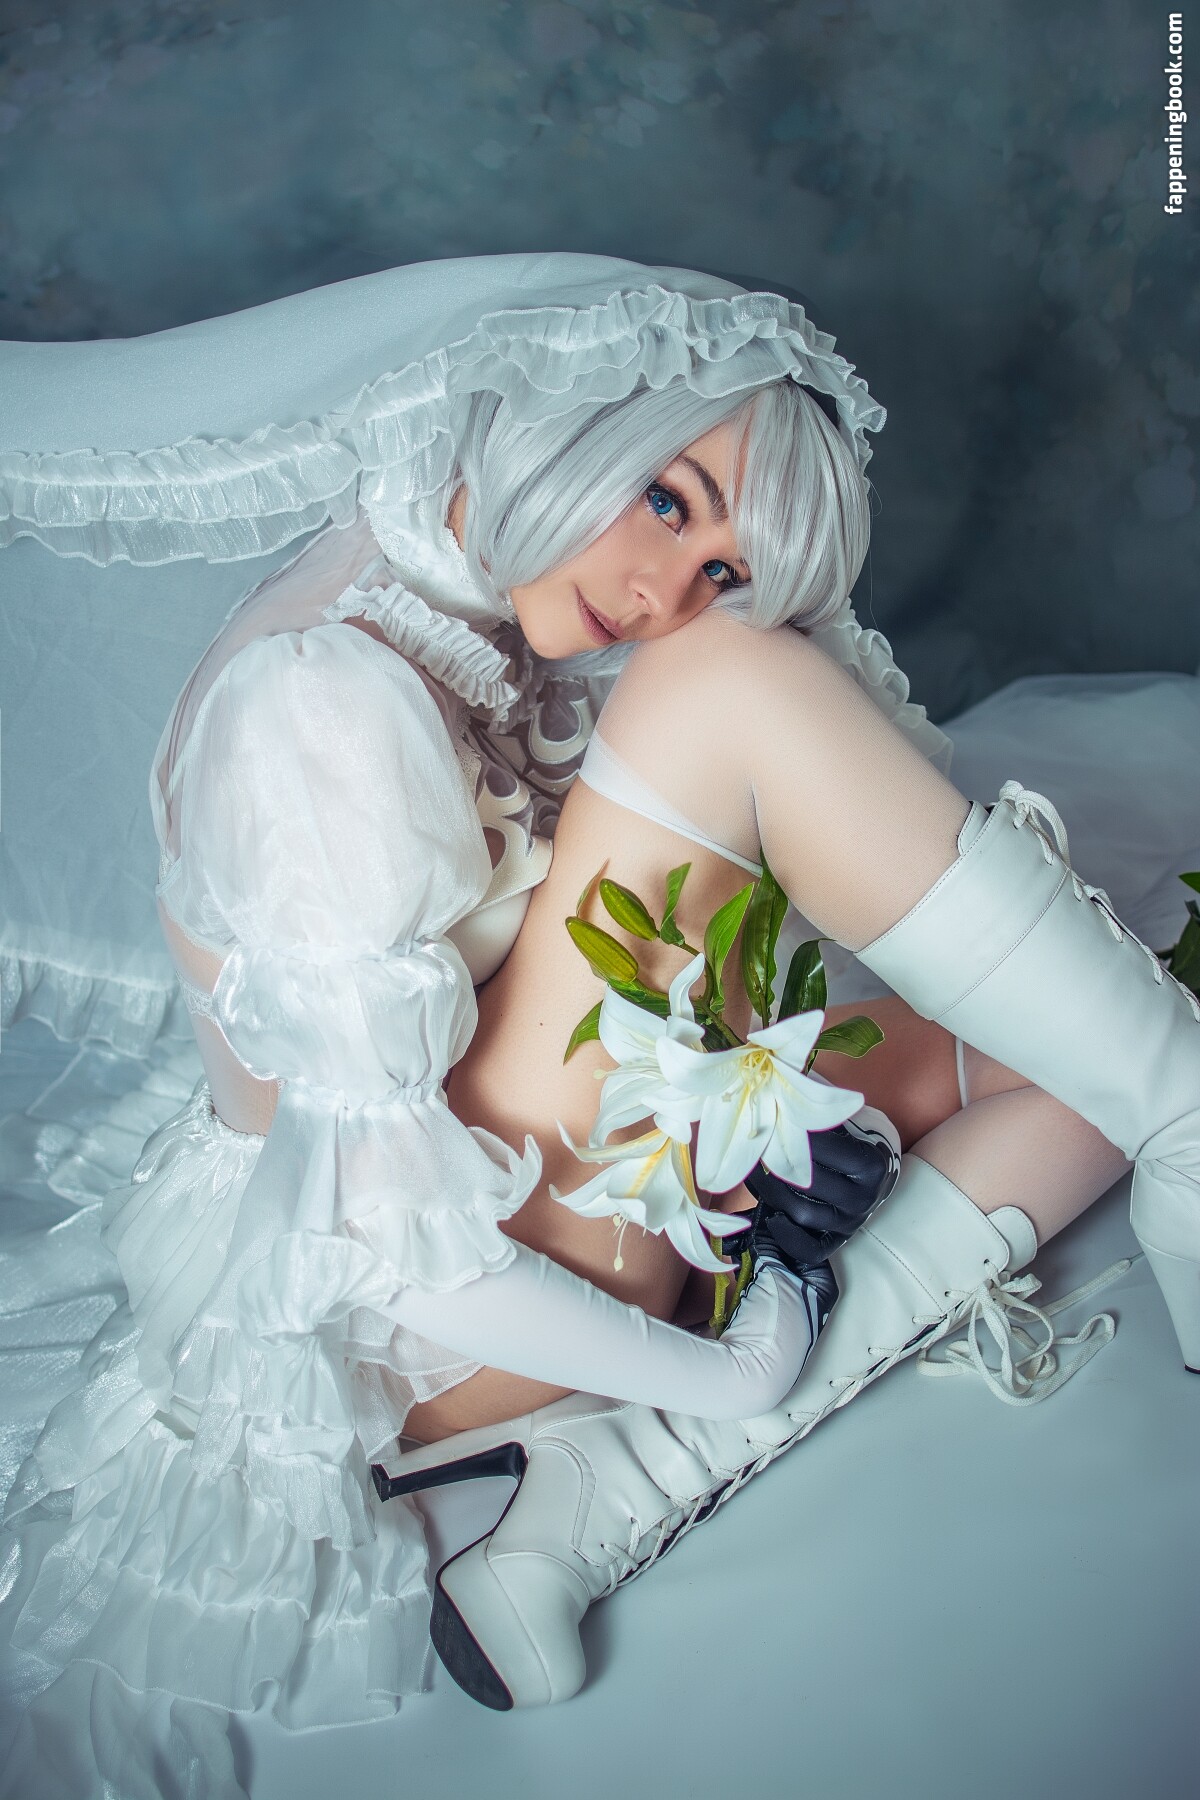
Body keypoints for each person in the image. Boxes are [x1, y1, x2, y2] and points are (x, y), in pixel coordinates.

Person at [0, 253, 1197, 1780]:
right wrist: (735, 1362)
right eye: (669, 501)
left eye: (720, 568)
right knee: (723, 692)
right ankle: (1185, 1121)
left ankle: (607, 1491)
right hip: (415, 1325)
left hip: (544, 1197)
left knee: (1082, 1065)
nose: (664, 592)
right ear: (566, 421)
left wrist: (740, 1113)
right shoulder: (319, 705)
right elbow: (378, 1242)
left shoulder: (469, 600)